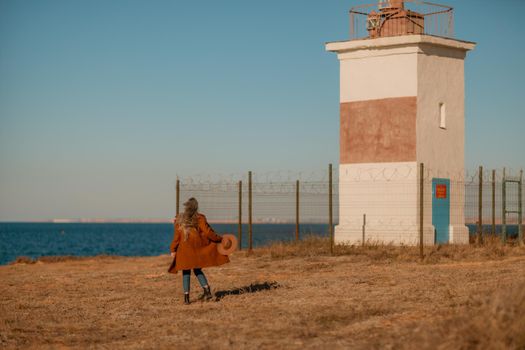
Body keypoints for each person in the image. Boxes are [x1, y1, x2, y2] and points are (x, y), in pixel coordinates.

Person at [169, 197, 229, 304]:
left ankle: (186, 299)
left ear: (186, 207)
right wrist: (219, 239)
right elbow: (208, 232)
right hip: (197, 248)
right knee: (197, 269)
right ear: (196, 207)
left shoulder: (179, 219)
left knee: (186, 271)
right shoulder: (200, 218)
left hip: (184, 249)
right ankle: (207, 291)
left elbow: (176, 237)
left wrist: (173, 249)